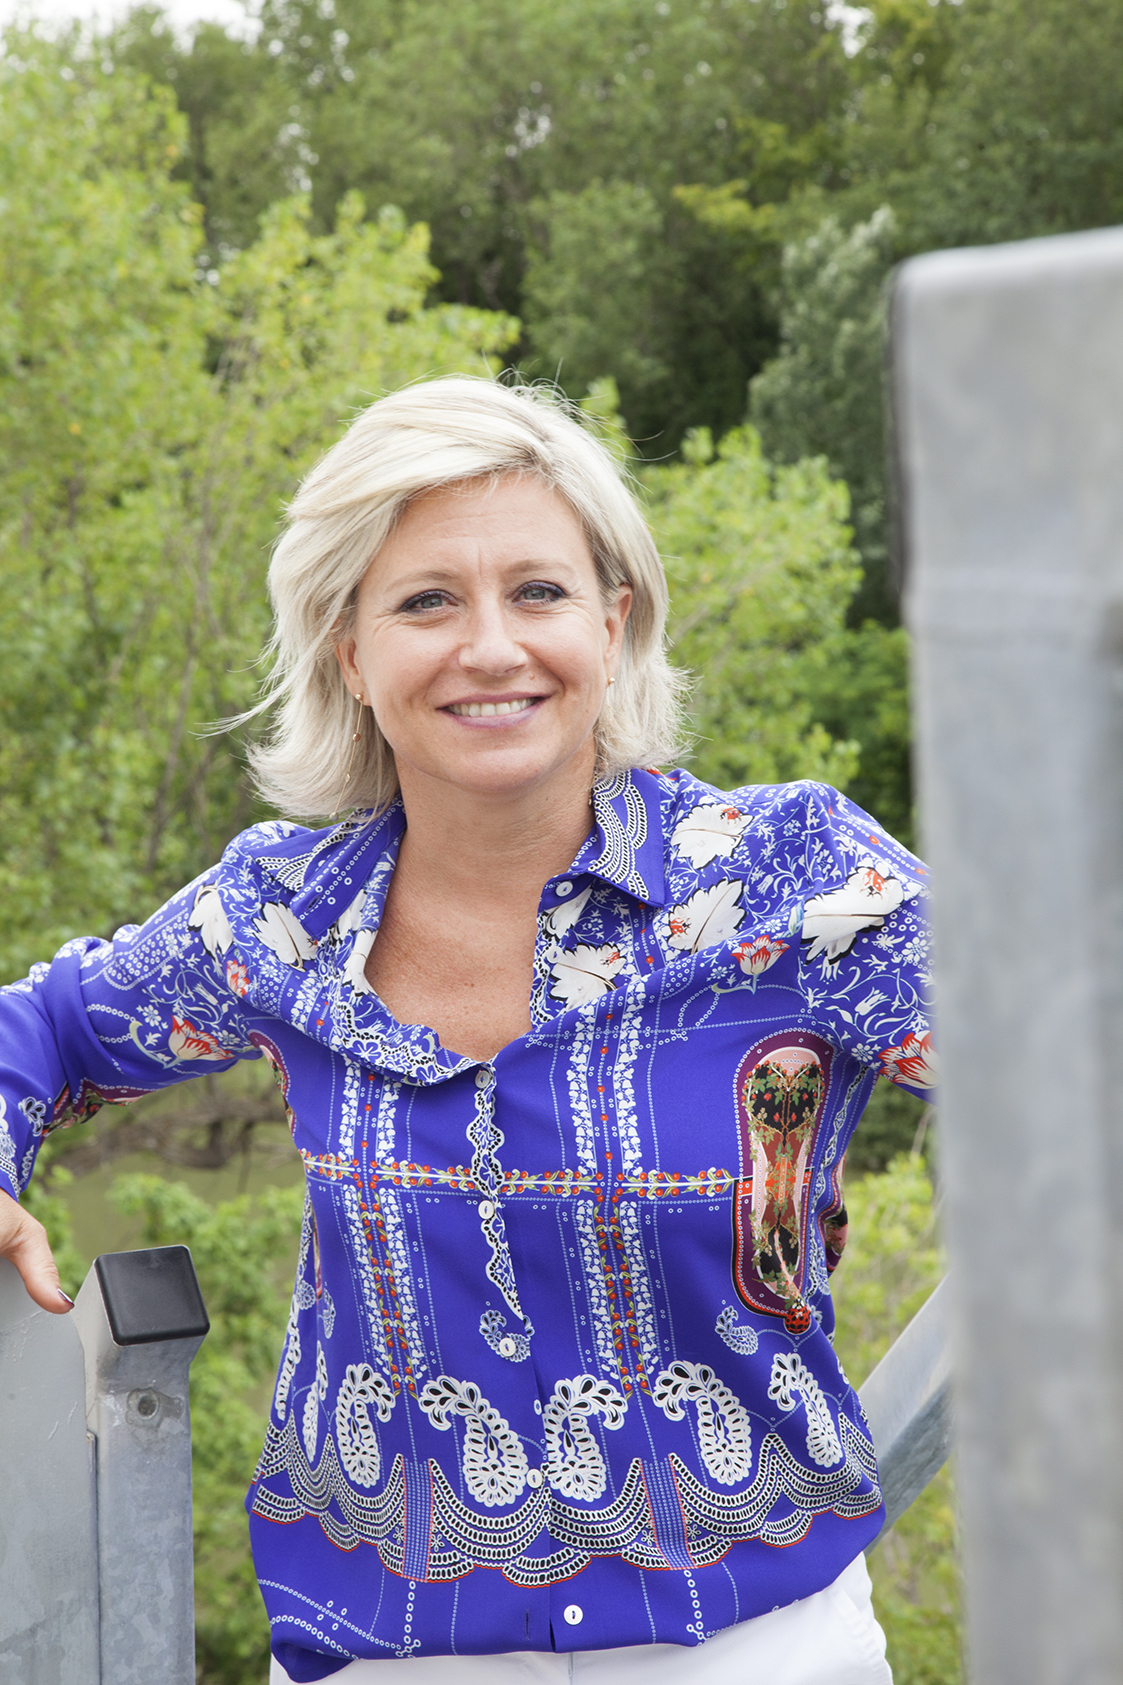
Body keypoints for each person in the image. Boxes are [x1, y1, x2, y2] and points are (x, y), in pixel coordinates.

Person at [0, 377, 935, 1682]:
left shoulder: (795, 881)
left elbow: (1061, 1057)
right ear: (350, 652)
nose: (491, 646)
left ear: (613, 623)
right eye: (427, 601)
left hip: (757, 1641)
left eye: (538, 591)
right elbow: (45, 1029)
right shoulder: (282, 918)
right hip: (393, 1649)